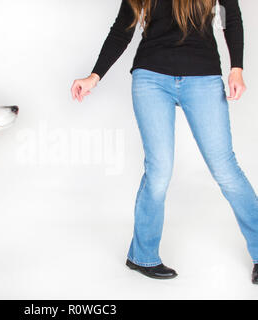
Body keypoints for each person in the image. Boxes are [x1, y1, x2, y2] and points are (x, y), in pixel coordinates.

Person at [71, 0, 258, 283]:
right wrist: (95, 76)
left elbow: (231, 17)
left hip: (203, 77)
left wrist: (237, 68)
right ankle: (142, 256)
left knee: (225, 168)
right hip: (151, 78)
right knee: (159, 170)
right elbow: (122, 29)